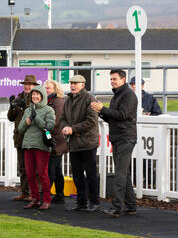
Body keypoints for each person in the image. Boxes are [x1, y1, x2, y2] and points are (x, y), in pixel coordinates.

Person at [91, 69, 138, 217]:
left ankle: (117, 207)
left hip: (126, 138)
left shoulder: (129, 95)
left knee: (120, 174)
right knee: (124, 173)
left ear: (123, 80)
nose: (112, 81)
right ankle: (131, 206)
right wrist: (101, 112)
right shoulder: (118, 95)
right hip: (118, 138)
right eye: (111, 79)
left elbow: (123, 115)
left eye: (115, 79)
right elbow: (113, 118)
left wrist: (103, 109)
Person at [59, 75, 100, 212]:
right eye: (71, 83)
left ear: (82, 85)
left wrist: (72, 129)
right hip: (74, 143)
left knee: (91, 173)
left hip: (88, 142)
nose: (72, 85)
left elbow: (91, 121)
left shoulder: (90, 99)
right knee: (76, 174)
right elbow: (63, 118)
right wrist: (65, 127)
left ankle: (94, 202)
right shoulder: (68, 99)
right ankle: (81, 202)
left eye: (75, 83)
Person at [18, 85, 55, 210]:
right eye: (33, 95)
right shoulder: (28, 110)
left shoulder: (48, 110)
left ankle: (47, 199)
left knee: (43, 174)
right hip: (28, 145)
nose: (35, 96)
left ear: (42, 96)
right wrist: (27, 121)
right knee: (30, 174)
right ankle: (35, 199)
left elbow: (49, 127)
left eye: (37, 94)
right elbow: (20, 129)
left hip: (41, 146)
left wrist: (36, 118)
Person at [7, 75, 39, 202]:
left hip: (32, 137)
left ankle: (34, 193)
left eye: (30, 84)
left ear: (34, 86)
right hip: (20, 137)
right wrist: (12, 106)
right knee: (23, 167)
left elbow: (34, 114)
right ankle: (24, 192)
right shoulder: (19, 97)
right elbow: (10, 117)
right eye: (25, 84)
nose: (27, 86)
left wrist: (24, 106)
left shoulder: (37, 98)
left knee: (33, 167)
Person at [44, 80, 68, 204]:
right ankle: (59, 194)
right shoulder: (51, 101)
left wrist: (46, 131)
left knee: (51, 169)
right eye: (45, 88)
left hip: (57, 140)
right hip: (57, 139)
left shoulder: (57, 102)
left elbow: (55, 121)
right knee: (57, 169)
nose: (46, 90)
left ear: (55, 89)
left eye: (49, 88)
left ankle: (46, 196)